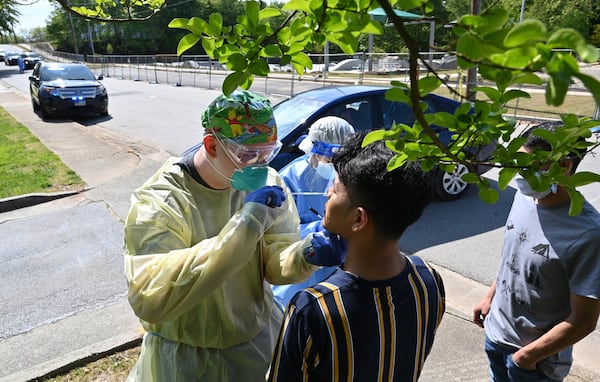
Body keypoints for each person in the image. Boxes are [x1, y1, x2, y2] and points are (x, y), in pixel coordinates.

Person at [123, 90, 347, 381]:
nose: (258, 165)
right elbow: (151, 297)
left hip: (255, 344)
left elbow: (273, 261)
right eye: (247, 155)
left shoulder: (268, 180)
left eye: (267, 154)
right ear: (211, 145)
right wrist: (247, 223)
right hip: (186, 361)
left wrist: (304, 254)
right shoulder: (162, 200)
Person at [268, 132, 446, 381]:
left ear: (358, 219)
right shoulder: (429, 280)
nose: (327, 194)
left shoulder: (313, 308)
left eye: (336, 189)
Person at [473, 121, 600, 381]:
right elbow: (515, 253)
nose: (520, 175)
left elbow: (584, 320)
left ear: (563, 167)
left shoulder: (587, 233)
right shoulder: (523, 197)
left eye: (530, 167)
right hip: (495, 335)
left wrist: (527, 357)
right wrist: (490, 296)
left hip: (535, 363)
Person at [272, 116, 355, 307]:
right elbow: (279, 232)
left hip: (338, 272)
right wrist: (317, 229)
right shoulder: (291, 177)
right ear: (315, 151)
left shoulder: (348, 174)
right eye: (329, 158)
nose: (334, 164)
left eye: (340, 159)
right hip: (298, 271)